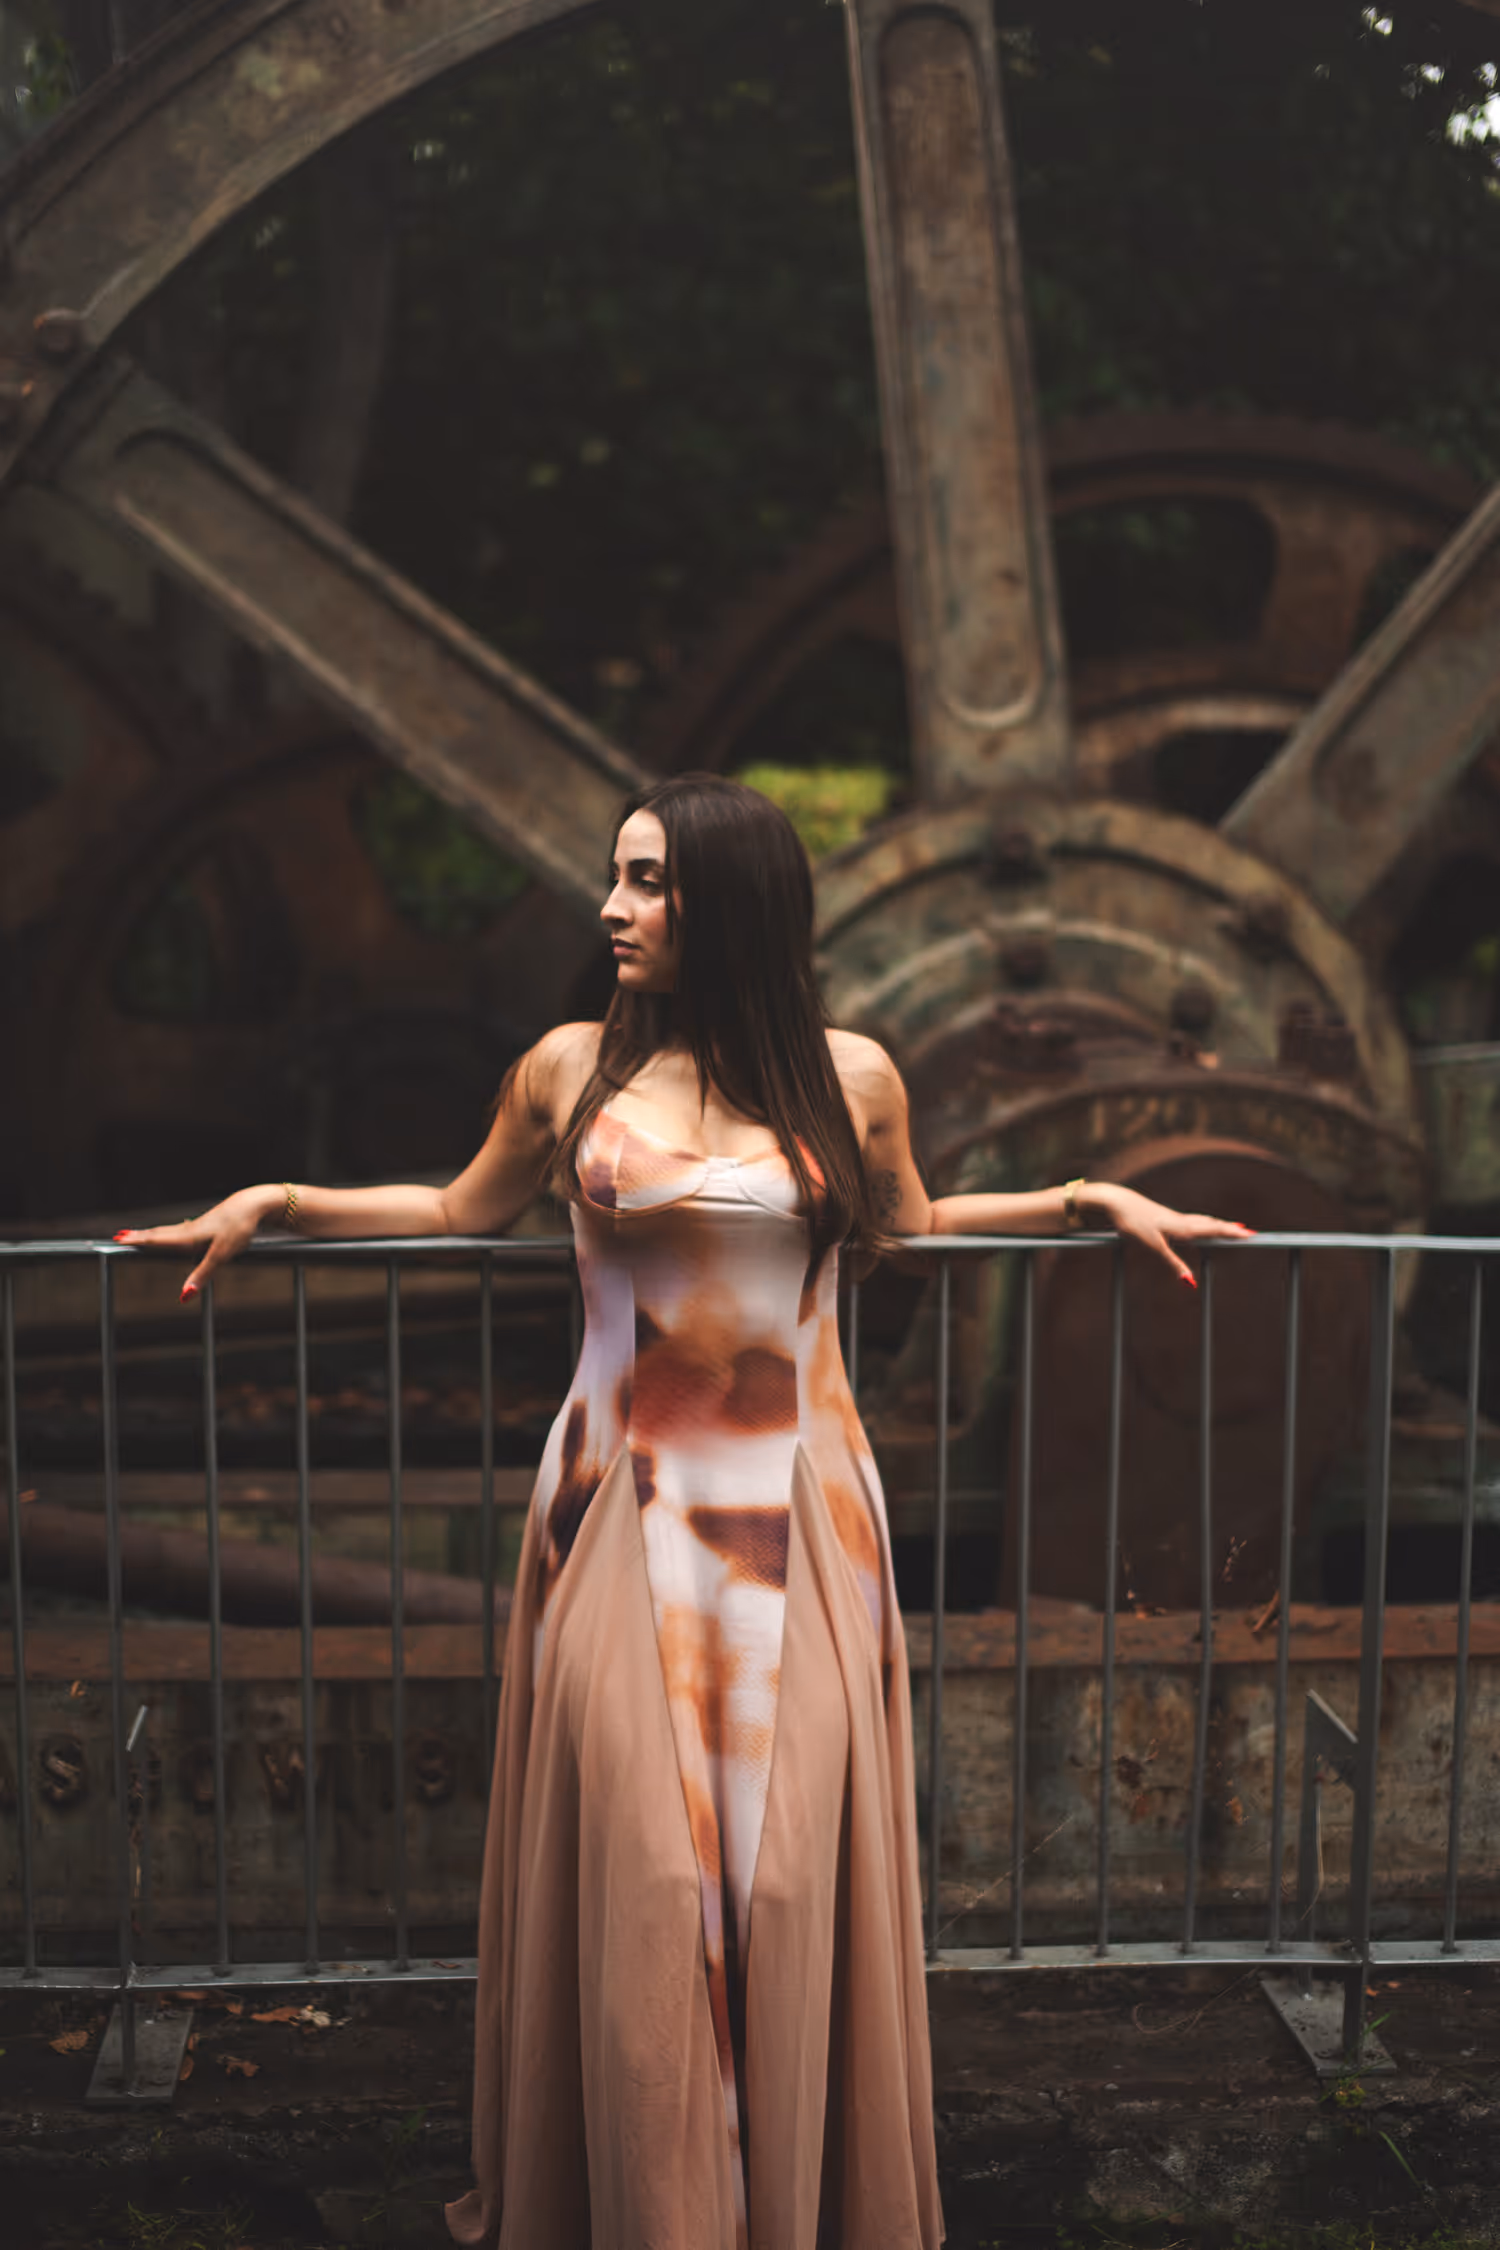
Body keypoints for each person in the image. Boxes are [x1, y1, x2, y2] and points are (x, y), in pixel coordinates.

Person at [116, 774, 1252, 2249]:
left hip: (807, 1507)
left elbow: (906, 1227)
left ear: (730, 900)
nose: (612, 906)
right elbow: (465, 1211)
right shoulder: (567, 1067)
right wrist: (277, 1197)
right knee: (654, 1876)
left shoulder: (852, 1078)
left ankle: (790, 2208)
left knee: (783, 1879)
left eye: (647, 881)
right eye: (616, 876)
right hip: (618, 1505)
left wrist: (1093, 1196)